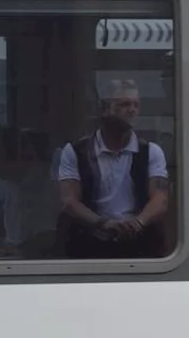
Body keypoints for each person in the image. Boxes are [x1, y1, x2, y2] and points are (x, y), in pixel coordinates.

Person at [56, 79, 169, 259]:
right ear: (104, 108)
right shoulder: (76, 152)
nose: (132, 110)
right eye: (124, 104)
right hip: (89, 242)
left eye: (136, 105)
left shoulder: (151, 152)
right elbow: (69, 201)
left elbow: (160, 199)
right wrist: (103, 224)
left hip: (140, 242)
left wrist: (138, 223)